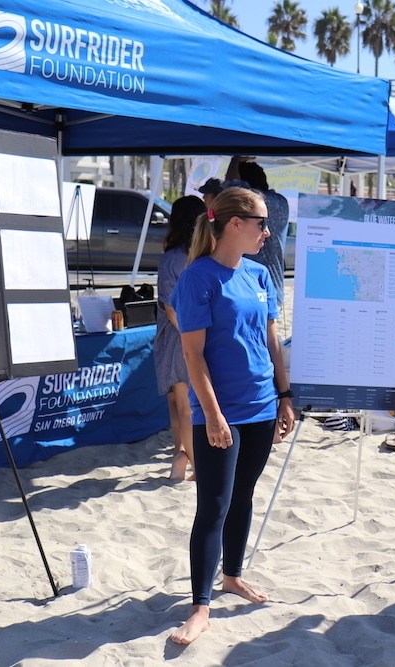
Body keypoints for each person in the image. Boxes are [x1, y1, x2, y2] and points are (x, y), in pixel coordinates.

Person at [169, 187, 295, 645]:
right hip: (219, 412)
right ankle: (200, 606)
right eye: (263, 223)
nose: (269, 232)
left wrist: (284, 395)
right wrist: (214, 415)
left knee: (243, 496)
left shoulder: (259, 275)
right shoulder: (197, 278)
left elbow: (271, 340)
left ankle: (232, 576)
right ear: (234, 224)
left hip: (262, 404)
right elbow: (192, 355)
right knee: (214, 506)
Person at [154, 195, 206, 481]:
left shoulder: (172, 257)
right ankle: (189, 462)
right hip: (189, 336)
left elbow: (169, 306)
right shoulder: (205, 255)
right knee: (184, 405)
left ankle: (182, 457)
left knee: (179, 404)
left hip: (177, 337)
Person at [222, 156, 291, 314]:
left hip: (249, 289)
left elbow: (232, 190)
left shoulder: (251, 204)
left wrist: (235, 161)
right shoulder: (281, 202)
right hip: (274, 288)